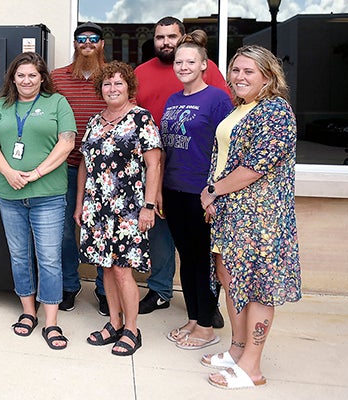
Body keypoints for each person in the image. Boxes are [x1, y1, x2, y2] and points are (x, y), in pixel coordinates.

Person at [200, 45, 301, 389]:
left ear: (268, 77)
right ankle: (237, 350)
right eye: (236, 70)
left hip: (261, 218)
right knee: (232, 282)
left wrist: (213, 191)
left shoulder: (276, 111)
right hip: (232, 213)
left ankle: (252, 368)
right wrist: (214, 195)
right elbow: (224, 157)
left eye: (249, 72)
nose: (239, 77)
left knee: (258, 289)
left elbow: (256, 166)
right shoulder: (241, 108)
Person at [134, 16, 230, 319]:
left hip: (200, 183)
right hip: (162, 175)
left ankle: (207, 309)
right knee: (170, 244)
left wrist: (217, 186)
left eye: (171, 36)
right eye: (160, 37)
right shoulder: (152, 80)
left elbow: (224, 137)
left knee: (201, 253)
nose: (166, 42)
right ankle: (169, 296)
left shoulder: (212, 82)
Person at [0, 52, 76, 350]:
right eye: (21, 75)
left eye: (32, 75)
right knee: (20, 256)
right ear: (13, 78)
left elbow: (67, 142)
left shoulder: (57, 103)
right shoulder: (2, 105)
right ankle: (28, 311)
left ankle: (51, 321)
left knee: (49, 258)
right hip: (10, 194)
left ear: (42, 78)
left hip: (47, 194)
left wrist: (35, 173)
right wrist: (9, 172)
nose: (26, 80)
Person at [75, 61, 162, 356]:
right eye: (107, 84)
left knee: (123, 271)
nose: (112, 89)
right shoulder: (94, 122)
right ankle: (113, 323)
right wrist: (80, 206)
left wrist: (148, 206)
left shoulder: (141, 119)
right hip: (97, 207)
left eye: (118, 84)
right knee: (106, 268)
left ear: (129, 88)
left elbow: (154, 165)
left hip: (129, 209)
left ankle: (132, 330)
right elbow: (85, 167)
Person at [159, 31, 233, 349]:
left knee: (202, 260)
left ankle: (206, 326)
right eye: (179, 61)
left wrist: (215, 192)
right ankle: (193, 317)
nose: (184, 66)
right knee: (186, 258)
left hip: (200, 193)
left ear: (204, 64)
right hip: (173, 189)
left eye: (191, 61)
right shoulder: (174, 100)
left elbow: (229, 148)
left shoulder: (217, 99)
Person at [50, 21, 108, 314]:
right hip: (64, 167)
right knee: (63, 232)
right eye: (81, 38)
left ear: (101, 44)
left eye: (93, 38)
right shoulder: (57, 77)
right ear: (75, 44)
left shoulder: (113, 77)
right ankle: (69, 285)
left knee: (101, 230)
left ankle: (103, 289)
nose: (87, 43)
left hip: (104, 171)